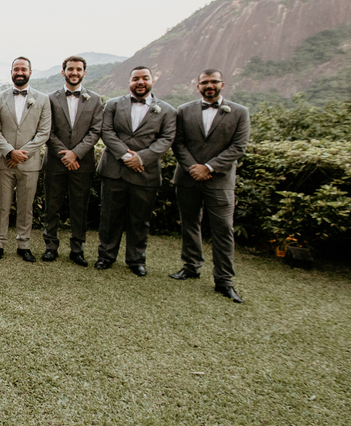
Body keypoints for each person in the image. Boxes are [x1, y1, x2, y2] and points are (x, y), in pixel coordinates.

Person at [170, 69, 251, 303]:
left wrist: (209, 167)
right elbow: (178, 143)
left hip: (220, 181)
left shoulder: (239, 112)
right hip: (187, 178)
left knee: (223, 230)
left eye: (214, 82)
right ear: (198, 86)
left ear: (222, 84)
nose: (209, 86)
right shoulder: (184, 110)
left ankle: (224, 280)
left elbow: (238, 147)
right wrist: (193, 167)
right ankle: (191, 266)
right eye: (204, 82)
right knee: (189, 224)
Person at [95, 65, 176, 276]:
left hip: (145, 171)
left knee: (140, 219)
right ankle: (105, 256)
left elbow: (166, 139)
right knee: (109, 216)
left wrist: (142, 158)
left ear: (152, 81)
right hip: (114, 169)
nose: (140, 82)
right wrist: (126, 155)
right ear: (129, 82)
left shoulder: (167, 110)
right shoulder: (113, 104)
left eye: (145, 78)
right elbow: (107, 131)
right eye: (136, 79)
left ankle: (136, 259)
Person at [42, 55, 104, 266]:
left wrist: (75, 154)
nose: (74, 72)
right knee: (52, 206)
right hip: (55, 163)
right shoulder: (50, 98)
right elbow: (47, 132)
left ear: (84, 72)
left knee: (80, 208)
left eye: (78, 69)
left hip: (82, 163)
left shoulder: (95, 99)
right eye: (70, 69)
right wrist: (65, 154)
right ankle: (50, 246)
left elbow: (95, 131)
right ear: (63, 72)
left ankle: (77, 249)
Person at [0, 57, 51, 262]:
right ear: (11, 72)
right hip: (3, 162)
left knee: (26, 206)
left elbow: (43, 133)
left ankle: (23, 244)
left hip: (29, 163)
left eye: (23, 69)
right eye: (16, 68)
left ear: (30, 72)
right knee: (1, 206)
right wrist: (9, 152)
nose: (19, 72)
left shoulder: (42, 99)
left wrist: (22, 153)